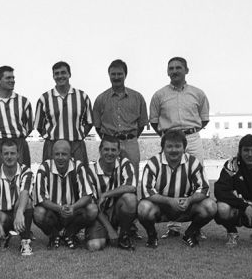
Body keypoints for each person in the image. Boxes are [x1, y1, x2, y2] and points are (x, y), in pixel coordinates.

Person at [149, 57, 210, 239]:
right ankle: (174, 225)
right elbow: (154, 121)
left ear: (186, 70)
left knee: (197, 178)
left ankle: (196, 226)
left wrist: (189, 132)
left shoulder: (198, 93)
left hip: (191, 138)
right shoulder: (159, 95)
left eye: (178, 68)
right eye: (171, 68)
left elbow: (204, 118)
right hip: (169, 139)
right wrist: (168, 137)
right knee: (170, 178)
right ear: (167, 72)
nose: (175, 71)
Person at [137, 130, 217, 248]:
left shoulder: (193, 162)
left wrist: (189, 200)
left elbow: (204, 189)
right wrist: (169, 201)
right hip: (161, 208)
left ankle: (190, 233)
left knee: (211, 206)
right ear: (163, 148)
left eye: (177, 146)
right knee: (143, 207)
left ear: (184, 148)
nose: (173, 150)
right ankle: (152, 235)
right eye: (169, 146)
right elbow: (146, 191)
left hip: (185, 206)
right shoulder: (153, 163)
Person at [33, 140, 98, 249]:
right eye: (57, 154)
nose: (60, 157)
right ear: (52, 155)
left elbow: (87, 195)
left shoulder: (78, 167)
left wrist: (73, 207)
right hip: (53, 213)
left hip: (73, 212)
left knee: (93, 209)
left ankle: (70, 233)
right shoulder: (44, 168)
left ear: (70, 155)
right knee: (38, 213)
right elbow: (41, 199)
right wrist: (59, 208)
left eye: (64, 154)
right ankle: (54, 235)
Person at [92, 59, 147, 180]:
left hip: (130, 143)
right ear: (109, 75)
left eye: (119, 74)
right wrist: (108, 139)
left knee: (132, 178)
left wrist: (130, 137)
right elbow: (97, 125)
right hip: (109, 144)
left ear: (125, 75)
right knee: (108, 178)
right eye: (113, 74)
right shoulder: (101, 99)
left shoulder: (137, 98)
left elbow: (142, 123)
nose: (116, 77)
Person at [35, 61, 93, 164]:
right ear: (53, 76)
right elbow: (39, 125)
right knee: (52, 177)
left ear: (69, 74)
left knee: (79, 177)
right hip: (53, 146)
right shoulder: (44, 98)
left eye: (63, 72)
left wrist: (78, 135)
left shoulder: (82, 97)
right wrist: (50, 136)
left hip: (76, 146)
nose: (60, 76)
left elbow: (89, 121)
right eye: (56, 73)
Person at [87, 137, 138, 251]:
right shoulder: (90, 171)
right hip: (100, 215)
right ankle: (108, 231)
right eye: (106, 149)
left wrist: (106, 194)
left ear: (119, 152)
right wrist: (109, 229)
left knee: (130, 199)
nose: (110, 153)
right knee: (94, 246)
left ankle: (124, 235)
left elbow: (131, 186)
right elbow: (93, 205)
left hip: (117, 211)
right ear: (100, 150)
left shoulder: (124, 163)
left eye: (113, 150)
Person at [0, 139, 34, 256]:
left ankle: (25, 241)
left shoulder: (26, 172)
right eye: (6, 153)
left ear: (18, 155)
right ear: (1, 156)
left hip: (19, 213)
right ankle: (4, 236)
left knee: (27, 203)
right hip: (4, 215)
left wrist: (19, 212)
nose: (9, 157)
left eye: (12, 153)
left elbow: (25, 193)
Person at [0, 65, 33, 173]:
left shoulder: (23, 102)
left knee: (22, 177)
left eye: (13, 78)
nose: (12, 80)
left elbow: (28, 127)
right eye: (8, 78)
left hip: (19, 144)